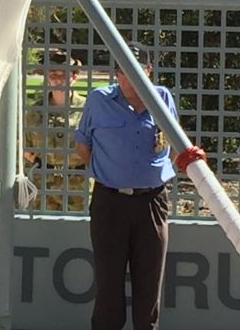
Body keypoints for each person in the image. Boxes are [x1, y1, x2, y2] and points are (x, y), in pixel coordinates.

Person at [74, 42, 177, 330]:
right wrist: (112, 171)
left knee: (150, 283)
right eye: (123, 70)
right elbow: (83, 147)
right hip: (110, 202)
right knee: (108, 285)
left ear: (149, 71)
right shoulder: (99, 100)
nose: (129, 77)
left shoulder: (163, 98)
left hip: (152, 202)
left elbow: (171, 143)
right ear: (117, 73)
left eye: (137, 70)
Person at [24, 49, 87, 211]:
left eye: (63, 74)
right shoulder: (34, 111)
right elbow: (26, 149)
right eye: (53, 74)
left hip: (79, 185)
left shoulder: (88, 109)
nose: (58, 79)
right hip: (44, 185)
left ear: (74, 76)